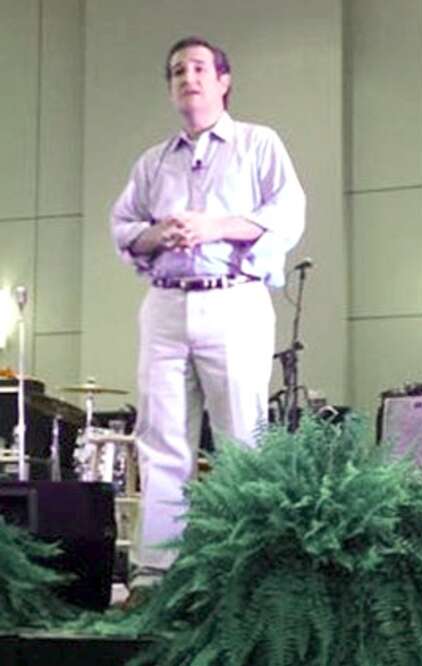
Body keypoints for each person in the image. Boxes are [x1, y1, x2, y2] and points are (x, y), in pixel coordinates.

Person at [111, 36, 306, 590]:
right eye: (176, 71)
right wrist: (160, 231)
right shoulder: (152, 162)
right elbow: (124, 227)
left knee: (242, 436)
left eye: (198, 68)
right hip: (167, 304)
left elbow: (286, 215)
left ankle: (244, 573)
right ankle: (154, 575)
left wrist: (214, 225)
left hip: (234, 296)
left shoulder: (258, 143)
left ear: (223, 80)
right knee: (162, 438)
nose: (187, 77)